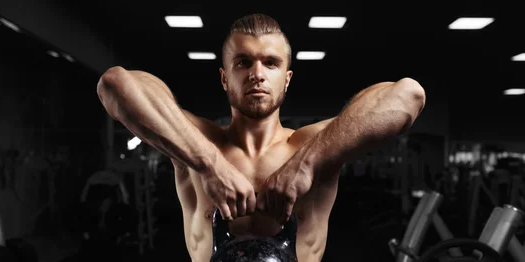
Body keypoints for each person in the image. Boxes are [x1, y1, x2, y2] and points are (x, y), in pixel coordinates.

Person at [96, 13, 426, 262]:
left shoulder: (313, 146)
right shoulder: (193, 142)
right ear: (225, 79)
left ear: (287, 79)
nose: (257, 74)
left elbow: (409, 95)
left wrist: (305, 166)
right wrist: (210, 165)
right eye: (243, 63)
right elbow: (115, 86)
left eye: (271, 63)